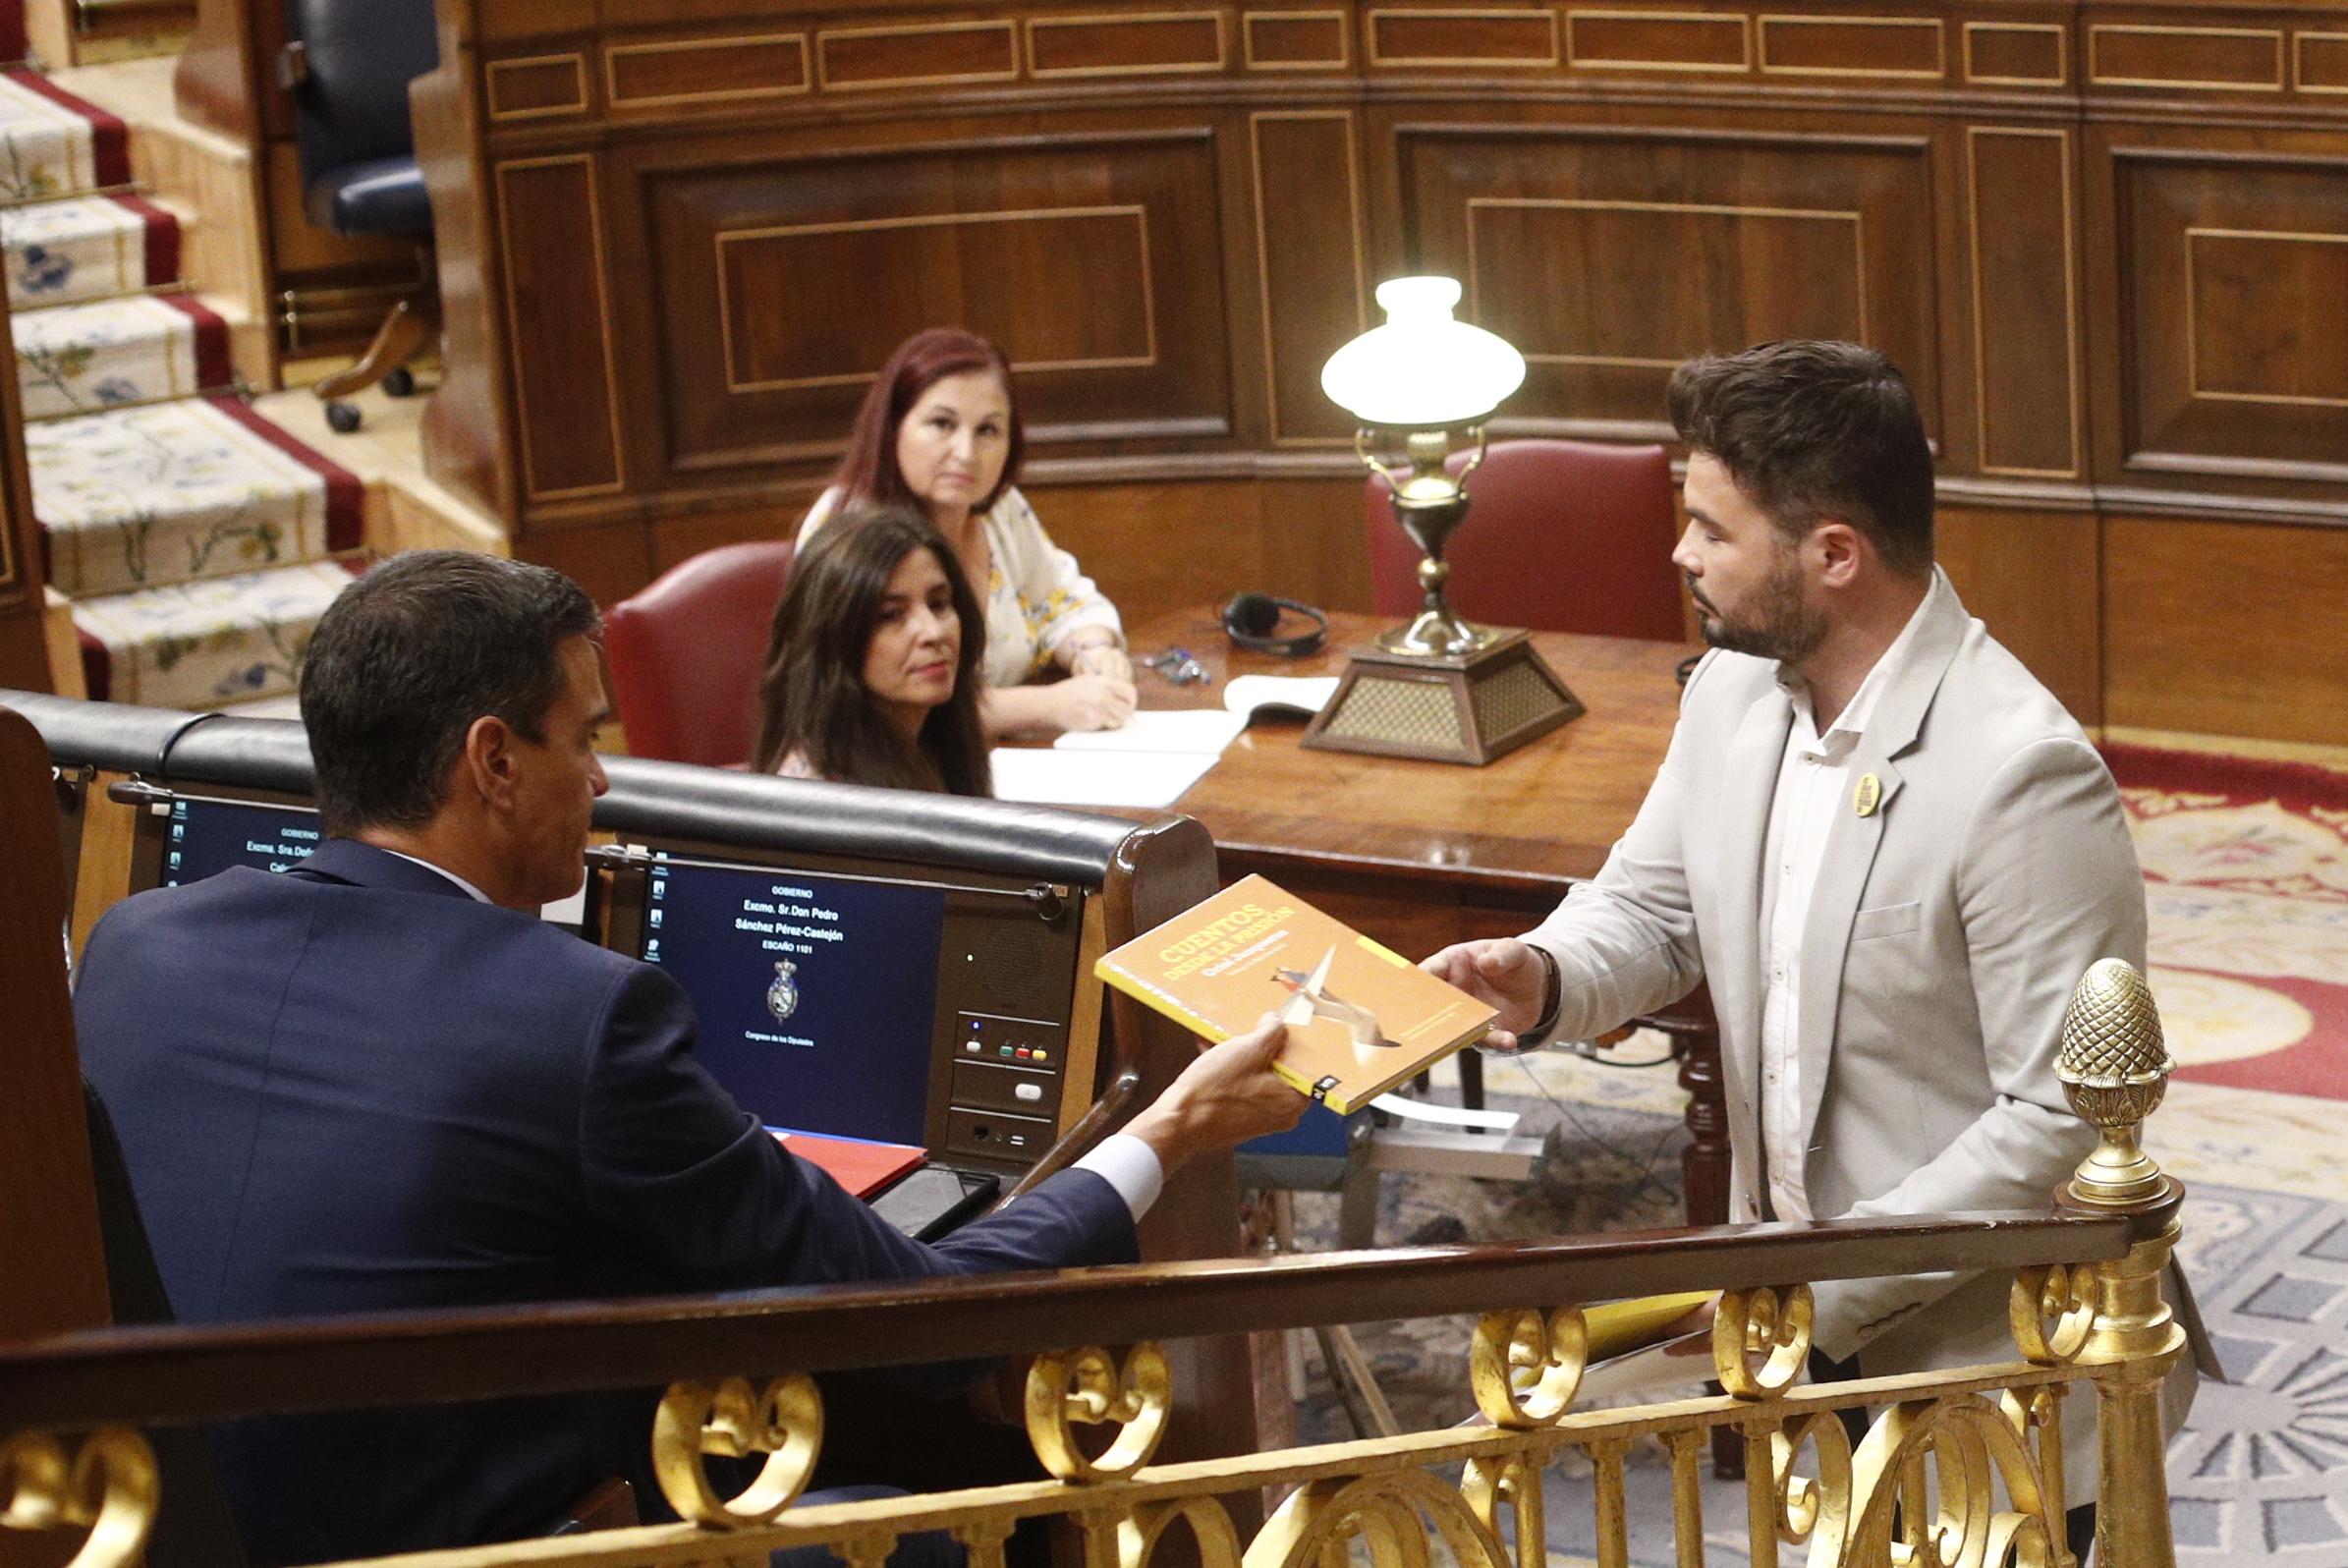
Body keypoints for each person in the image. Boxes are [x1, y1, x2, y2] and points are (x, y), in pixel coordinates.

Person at [73, 549, 1303, 1567]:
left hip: (159, 1535)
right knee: (973, 1528)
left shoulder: (135, 946)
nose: (605, 780)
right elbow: (923, 1322)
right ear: (493, 762)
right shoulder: (575, 1017)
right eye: (580, 739)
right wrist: (1165, 1132)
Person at [1422, 340, 2191, 1556]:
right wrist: (1546, 975)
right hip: (1800, 1354)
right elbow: (1656, 909)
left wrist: (1802, 1293)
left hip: (1994, 1373)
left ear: (1832, 554)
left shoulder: (2019, 777)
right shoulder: (1731, 696)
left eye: (1710, 530)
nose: (1678, 555)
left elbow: (2059, 1119)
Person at [801, 327, 1136, 736]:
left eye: (988, 430)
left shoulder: (1002, 511)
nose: (966, 454)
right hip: (889, 781)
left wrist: (1093, 651)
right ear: (893, 426)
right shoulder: (845, 524)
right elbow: (864, 705)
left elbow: (1063, 603)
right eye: (942, 424)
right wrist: (1046, 705)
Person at [753, 504, 989, 795]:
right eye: (891, 615)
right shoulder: (822, 796)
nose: (933, 632)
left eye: (938, 604)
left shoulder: (937, 741)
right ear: (834, 639)